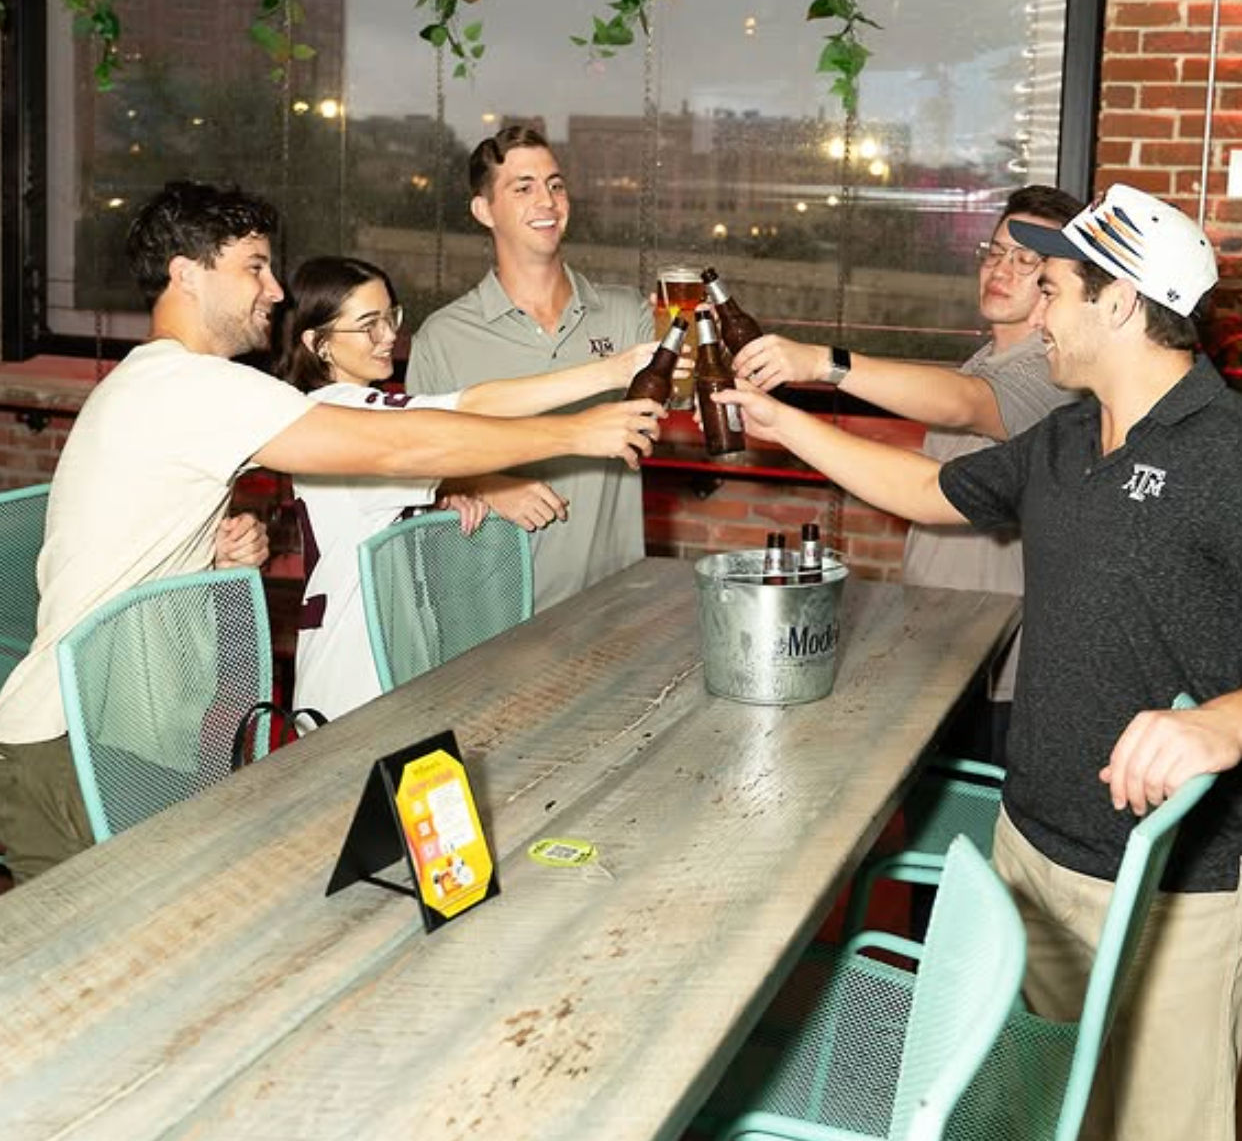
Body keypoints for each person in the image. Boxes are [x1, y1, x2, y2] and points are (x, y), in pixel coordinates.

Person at [715, 183, 1241, 1141]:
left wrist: (1220, 720)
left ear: (1119, 304)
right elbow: (925, 489)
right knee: (1023, 1115)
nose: (1039, 312)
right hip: (1029, 848)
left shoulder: (1228, 452)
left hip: (1176, 881)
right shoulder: (1070, 434)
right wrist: (787, 423)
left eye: (1054, 290)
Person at [0, 181, 663, 883]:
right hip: (76, 736)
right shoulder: (186, 385)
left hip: (130, 728)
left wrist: (211, 554)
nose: (277, 290)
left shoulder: (178, 386)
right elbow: (401, 446)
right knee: (89, 978)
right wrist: (578, 432)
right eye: (254, 266)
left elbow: (440, 413)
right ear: (187, 275)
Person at [731, 183, 1083, 762]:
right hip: (948, 646)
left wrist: (823, 362)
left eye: (1027, 261)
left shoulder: (1054, 373)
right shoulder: (984, 358)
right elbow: (922, 479)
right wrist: (787, 424)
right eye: (994, 252)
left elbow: (967, 403)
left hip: (1002, 668)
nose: (1001, 269)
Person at [277, 255, 656, 719]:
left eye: (391, 317)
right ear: (319, 344)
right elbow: (469, 407)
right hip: (353, 677)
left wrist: (450, 494)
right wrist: (607, 379)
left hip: (399, 659)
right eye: (368, 325)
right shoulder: (341, 414)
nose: (388, 336)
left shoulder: (358, 406)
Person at [407, 126, 654, 610]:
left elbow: (684, 401)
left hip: (612, 602)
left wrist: (702, 348)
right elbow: (414, 470)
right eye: (523, 188)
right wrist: (487, 485)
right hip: (491, 613)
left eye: (555, 185)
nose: (547, 200)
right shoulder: (443, 336)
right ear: (484, 211)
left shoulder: (629, 316)